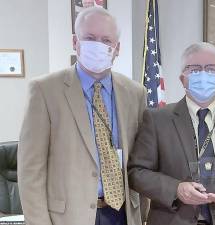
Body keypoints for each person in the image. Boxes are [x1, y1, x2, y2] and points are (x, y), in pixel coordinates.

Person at [18, 7, 145, 225]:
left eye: (106, 40)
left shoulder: (135, 93)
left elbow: (141, 161)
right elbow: (31, 171)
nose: (98, 45)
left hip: (123, 214)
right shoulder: (45, 90)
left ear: (117, 48)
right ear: (76, 42)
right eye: (90, 38)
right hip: (68, 217)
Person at [127, 42, 215, 225]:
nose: (203, 75)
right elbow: (137, 172)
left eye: (211, 69)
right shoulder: (157, 119)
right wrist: (176, 189)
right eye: (195, 69)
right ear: (182, 79)